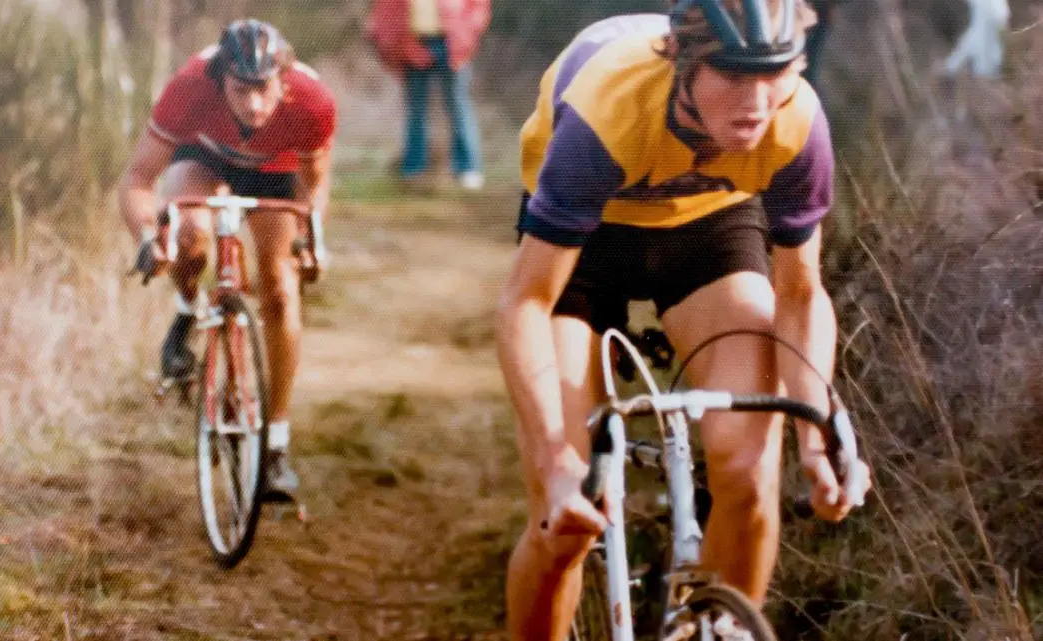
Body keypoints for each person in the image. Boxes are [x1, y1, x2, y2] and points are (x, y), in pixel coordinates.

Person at [495, 1, 871, 638]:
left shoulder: (796, 122)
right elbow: (525, 301)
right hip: (587, 241)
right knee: (562, 519)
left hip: (707, 227)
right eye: (731, 74)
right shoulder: (607, 114)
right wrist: (556, 458)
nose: (756, 101)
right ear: (683, 65)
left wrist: (816, 436)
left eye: (774, 74)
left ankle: (720, 628)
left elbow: (799, 295)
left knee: (749, 468)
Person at [119, 19, 337, 502]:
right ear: (221, 81)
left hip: (276, 172)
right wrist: (147, 237)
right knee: (188, 233)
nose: (254, 105)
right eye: (241, 91)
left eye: (264, 91)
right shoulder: (189, 88)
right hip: (205, 159)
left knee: (280, 287)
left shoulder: (313, 102)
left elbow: (313, 186)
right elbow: (137, 179)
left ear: (284, 81)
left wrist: (310, 238)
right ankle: (185, 310)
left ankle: (275, 445)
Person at [366, 0, 490, 190]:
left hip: (451, 42)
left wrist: (466, 35)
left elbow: (478, 8)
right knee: (416, 110)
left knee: (457, 105)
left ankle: (468, 169)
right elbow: (384, 13)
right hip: (414, 41)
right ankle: (413, 170)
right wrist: (399, 43)